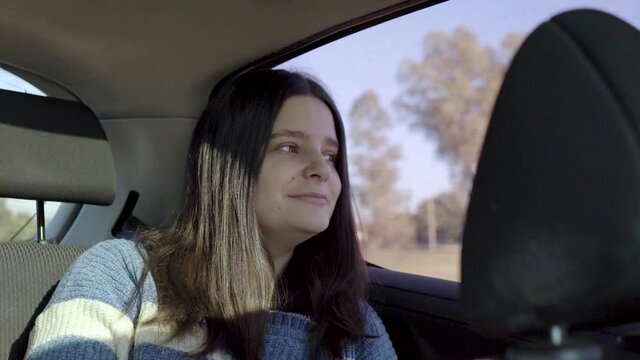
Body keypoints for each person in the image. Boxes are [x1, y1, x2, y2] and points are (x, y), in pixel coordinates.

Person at [25, 70, 397, 360]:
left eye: (331, 156)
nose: (322, 170)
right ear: (228, 165)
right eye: (289, 147)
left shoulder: (354, 325)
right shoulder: (121, 274)